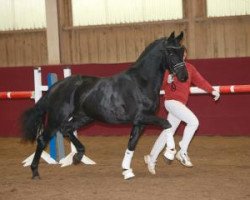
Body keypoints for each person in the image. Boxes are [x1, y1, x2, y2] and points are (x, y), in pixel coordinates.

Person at [144, 46, 220, 174]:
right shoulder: (168, 68)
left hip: (179, 106)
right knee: (193, 122)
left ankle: (151, 158)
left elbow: (200, 81)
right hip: (171, 102)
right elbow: (158, 85)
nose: (182, 56)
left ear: (185, 55)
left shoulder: (190, 68)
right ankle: (182, 151)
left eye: (183, 55)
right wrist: (166, 81)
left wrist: (211, 90)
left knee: (168, 132)